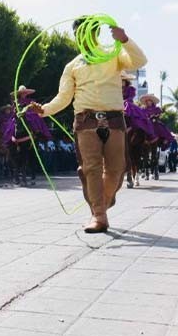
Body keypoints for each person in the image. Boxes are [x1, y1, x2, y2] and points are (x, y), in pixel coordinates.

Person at [30, 19, 146, 233]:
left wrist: (125, 39)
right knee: (90, 168)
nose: (82, 38)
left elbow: (139, 61)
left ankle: (102, 200)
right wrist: (44, 110)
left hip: (114, 119)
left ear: (95, 33)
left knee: (117, 169)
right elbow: (64, 97)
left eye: (87, 33)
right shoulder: (72, 66)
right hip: (85, 121)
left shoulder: (113, 54)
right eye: (78, 34)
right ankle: (99, 215)